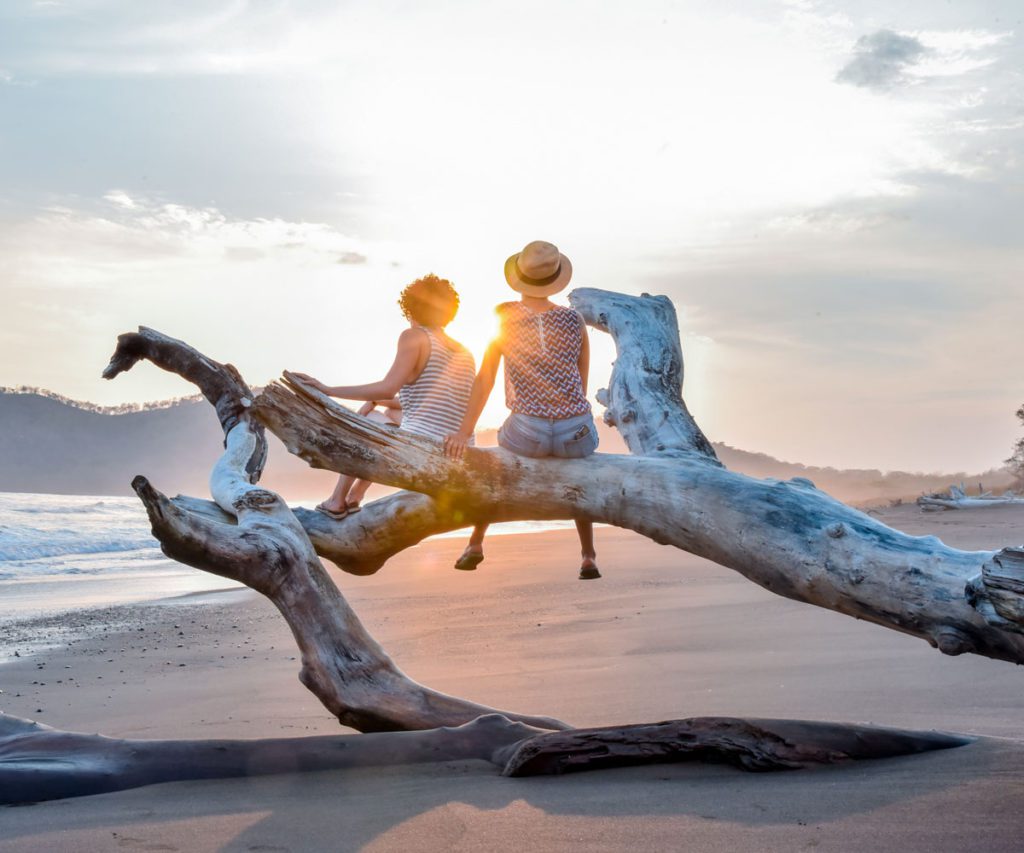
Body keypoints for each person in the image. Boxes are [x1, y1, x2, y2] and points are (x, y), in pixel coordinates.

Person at [444, 240, 601, 580]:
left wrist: (463, 431)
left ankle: (475, 543)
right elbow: (581, 380)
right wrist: (565, 418)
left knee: (495, 472)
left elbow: (485, 378)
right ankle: (588, 556)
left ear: (519, 277)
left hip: (528, 431)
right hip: (575, 430)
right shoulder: (574, 320)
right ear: (556, 277)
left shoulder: (504, 318)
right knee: (581, 474)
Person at [293, 274, 476, 520]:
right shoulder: (464, 351)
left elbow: (387, 388)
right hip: (457, 450)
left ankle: (338, 500)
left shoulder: (414, 337)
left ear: (412, 307)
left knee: (364, 424)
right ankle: (356, 494)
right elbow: (429, 403)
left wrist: (328, 389)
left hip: (426, 448)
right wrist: (377, 402)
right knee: (390, 413)